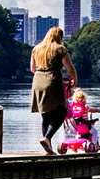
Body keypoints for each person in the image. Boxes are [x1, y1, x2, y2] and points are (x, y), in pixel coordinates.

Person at [29, 26, 78, 155]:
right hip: (52, 80)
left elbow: (33, 69)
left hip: (37, 81)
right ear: (59, 37)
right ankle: (47, 138)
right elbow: (70, 68)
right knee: (62, 111)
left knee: (45, 115)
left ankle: (47, 148)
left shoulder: (36, 49)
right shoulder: (60, 49)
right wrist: (74, 79)